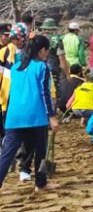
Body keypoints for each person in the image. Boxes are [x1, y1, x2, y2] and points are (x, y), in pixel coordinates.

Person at [0, 35, 59, 192]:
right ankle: (41, 184)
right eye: (47, 51)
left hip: (14, 115)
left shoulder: (15, 67)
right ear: (41, 51)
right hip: (35, 116)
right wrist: (52, 116)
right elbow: (44, 93)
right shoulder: (42, 67)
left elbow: (9, 91)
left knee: (7, 153)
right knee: (40, 151)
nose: (47, 54)